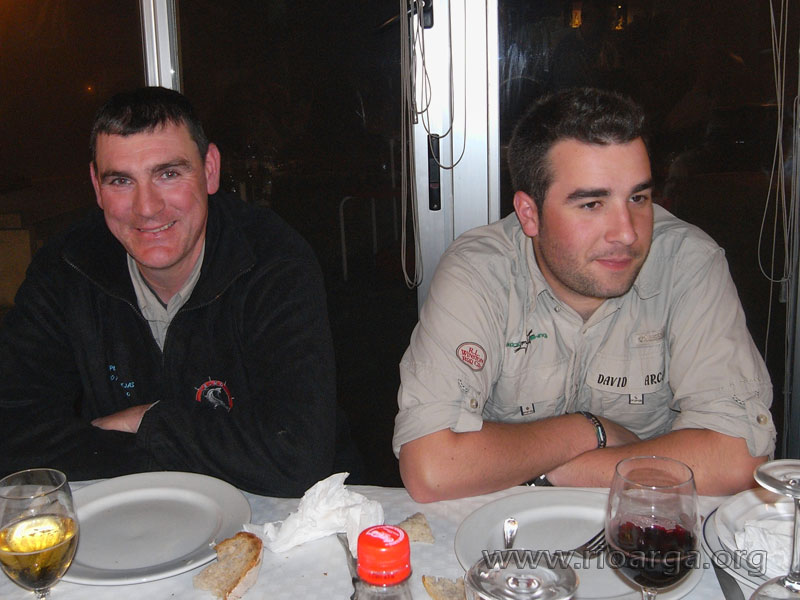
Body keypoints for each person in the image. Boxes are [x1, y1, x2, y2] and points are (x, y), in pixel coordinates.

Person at [393, 87, 775, 502]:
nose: (627, 232)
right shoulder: (480, 271)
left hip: (644, 518)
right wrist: (589, 430)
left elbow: (737, 458)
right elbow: (432, 468)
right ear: (529, 214)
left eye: (638, 198)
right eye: (592, 204)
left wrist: (548, 471)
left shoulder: (687, 263)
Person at [0, 86, 358, 497]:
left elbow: (298, 458)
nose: (147, 208)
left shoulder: (274, 262)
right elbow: (12, 437)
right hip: (130, 512)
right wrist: (200, 450)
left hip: (291, 516)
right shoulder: (66, 269)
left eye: (168, 174)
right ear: (96, 186)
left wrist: (147, 423)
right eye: (121, 181)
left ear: (210, 170)